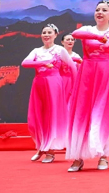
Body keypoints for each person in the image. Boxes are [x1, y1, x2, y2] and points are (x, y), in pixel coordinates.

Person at [66, 0, 109, 172]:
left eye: (104, 10)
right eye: (97, 10)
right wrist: (96, 37)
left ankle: (103, 155)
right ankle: (78, 157)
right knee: (82, 110)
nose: (100, 12)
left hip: (105, 73)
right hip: (87, 72)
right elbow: (75, 33)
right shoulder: (88, 30)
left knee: (103, 110)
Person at [21, 23, 76, 163]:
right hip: (38, 83)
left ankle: (50, 151)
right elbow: (25, 63)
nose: (46, 35)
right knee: (37, 115)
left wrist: (76, 86)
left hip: (54, 84)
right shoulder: (36, 51)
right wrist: (43, 63)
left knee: (51, 116)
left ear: (55, 35)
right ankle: (42, 146)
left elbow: (72, 67)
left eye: (49, 32)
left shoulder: (60, 50)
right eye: (44, 32)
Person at [60, 33, 82, 103]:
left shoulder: (76, 56)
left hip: (72, 81)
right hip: (60, 80)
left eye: (72, 40)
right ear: (62, 42)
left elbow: (81, 71)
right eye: (68, 39)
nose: (70, 41)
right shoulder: (58, 54)